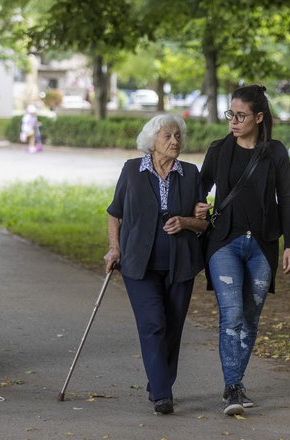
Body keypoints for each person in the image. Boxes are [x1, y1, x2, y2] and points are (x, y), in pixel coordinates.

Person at [195, 84, 290, 416]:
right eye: (231, 114)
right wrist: (197, 206)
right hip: (224, 243)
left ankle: (235, 385)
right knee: (232, 314)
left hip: (263, 247)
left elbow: (288, 199)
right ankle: (233, 388)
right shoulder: (219, 150)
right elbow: (200, 188)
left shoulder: (276, 152)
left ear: (258, 117)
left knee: (251, 318)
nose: (234, 121)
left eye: (240, 115)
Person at [104, 114, 208, 415]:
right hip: (139, 264)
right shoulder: (132, 170)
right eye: (167, 136)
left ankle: (157, 383)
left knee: (173, 328)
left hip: (181, 264)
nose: (174, 141)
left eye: (178, 136)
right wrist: (114, 249)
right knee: (153, 325)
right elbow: (115, 213)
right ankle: (163, 393)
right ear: (152, 141)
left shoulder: (190, 173)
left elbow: (203, 224)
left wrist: (187, 220)